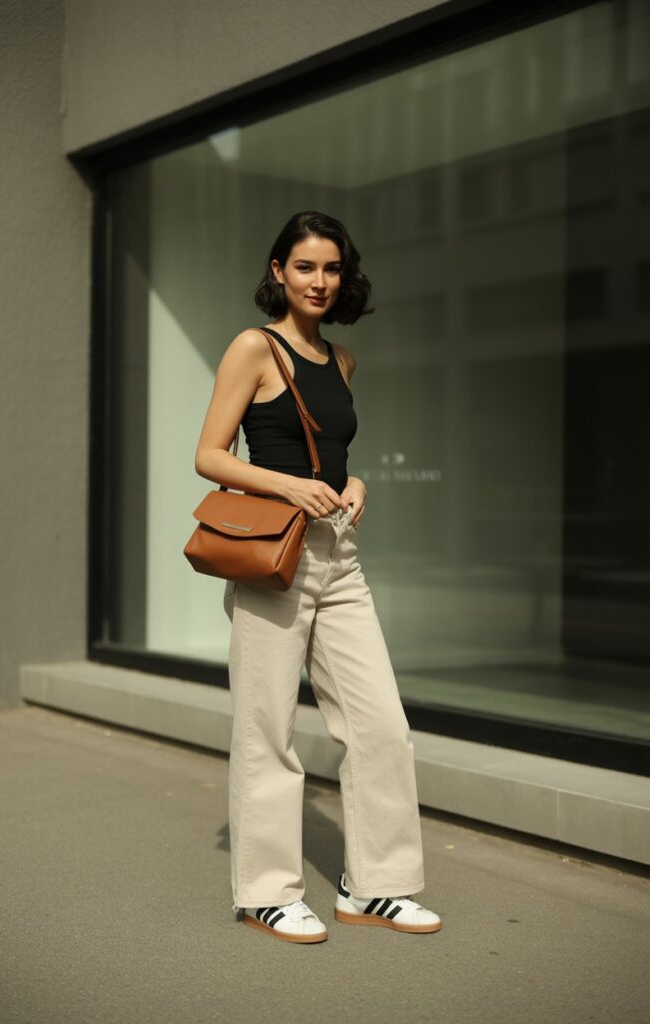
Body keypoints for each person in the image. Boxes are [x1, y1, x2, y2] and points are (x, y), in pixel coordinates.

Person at [195, 211, 441, 944]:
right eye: (304, 266)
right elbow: (210, 454)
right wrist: (285, 487)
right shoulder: (253, 347)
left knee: (381, 727)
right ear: (277, 271)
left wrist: (353, 481)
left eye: (331, 268)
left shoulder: (341, 361)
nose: (319, 281)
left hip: (337, 555)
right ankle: (267, 891)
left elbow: (327, 455)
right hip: (274, 557)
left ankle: (378, 885)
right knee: (267, 726)